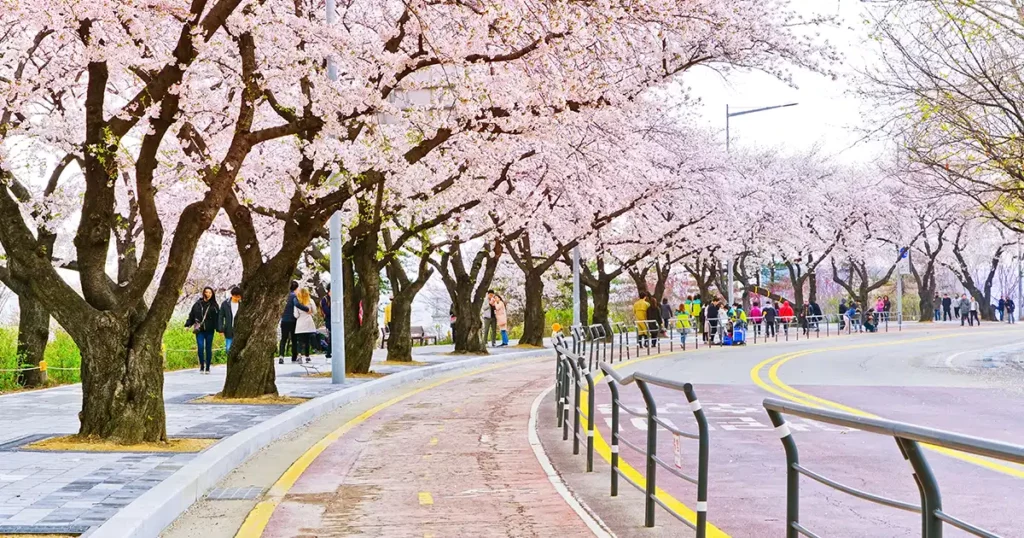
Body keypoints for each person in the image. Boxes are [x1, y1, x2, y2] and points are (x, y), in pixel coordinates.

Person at [187, 287, 219, 374]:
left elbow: (217, 318)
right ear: (203, 293)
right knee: (200, 348)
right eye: (206, 292)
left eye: (210, 293)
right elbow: (192, 315)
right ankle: (202, 365)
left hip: (210, 330)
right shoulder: (197, 304)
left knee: (208, 348)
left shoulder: (214, 306)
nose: (208, 294)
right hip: (200, 330)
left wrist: (219, 329)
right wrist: (188, 325)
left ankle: (208, 367)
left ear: (212, 294)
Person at [280, 281, 307, 364]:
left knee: (283, 339)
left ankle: (281, 356)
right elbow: (297, 304)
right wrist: (307, 309)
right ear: (296, 288)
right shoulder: (294, 296)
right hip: (293, 321)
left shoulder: (284, 296)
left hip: (284, 320)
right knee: (294, 339)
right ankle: (294, 357)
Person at [294, 288, 317, 363]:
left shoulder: (298, 303)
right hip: (308, 322)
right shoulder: (311, 301)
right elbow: (315, 311)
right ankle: (307, 356)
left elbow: (296, 315)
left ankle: (299, 355)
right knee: (307, 340)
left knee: (300, 341)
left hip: (300, 323)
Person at [218, 286, 242, 354]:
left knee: (239, 350)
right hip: (229, 329)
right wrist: (220, 329)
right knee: (229, 349)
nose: (237, 298)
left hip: (239, 329)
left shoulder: (242, 304)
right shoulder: (225, 304)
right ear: (232, 295)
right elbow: (220, 317)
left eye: (239, 297)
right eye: (236, 296)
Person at [319, 285, 332, 359]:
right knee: (332, 335)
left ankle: (329, 352)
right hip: (329, 320)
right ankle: (328, 352)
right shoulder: (325, 299)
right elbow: (326, 311)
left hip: (335, 319)